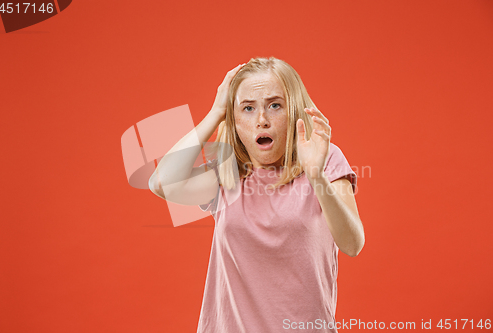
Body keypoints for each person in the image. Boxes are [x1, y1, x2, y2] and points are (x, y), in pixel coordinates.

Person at [149, 57, 365, 333]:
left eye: (274, 105)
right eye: (248, 108)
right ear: (235, 120)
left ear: (294, 110)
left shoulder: (325, 160)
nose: (261, 120)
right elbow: (161, 183)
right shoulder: (227, 173)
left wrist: (316, 176)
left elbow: (352, 244)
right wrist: (216, 111)